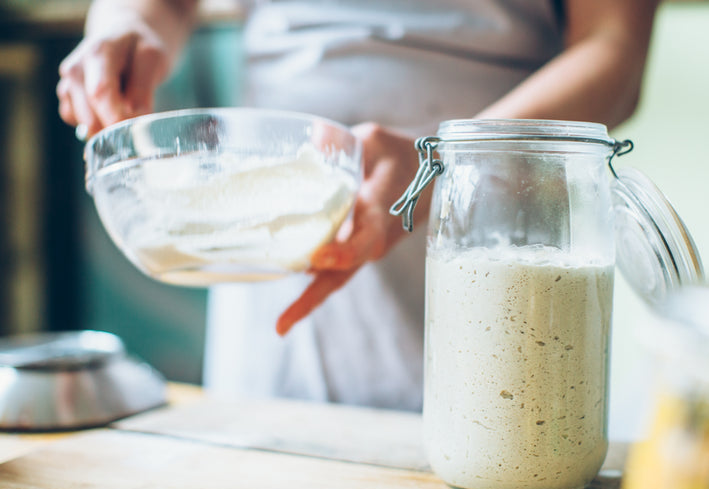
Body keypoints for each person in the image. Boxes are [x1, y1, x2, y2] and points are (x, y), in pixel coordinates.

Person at [57, 0, 660, 411]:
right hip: (272, 235)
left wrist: (446, 165)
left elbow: (614, 47)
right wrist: (125, 23)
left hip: (495, 232)